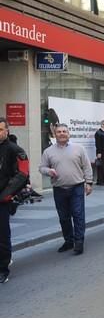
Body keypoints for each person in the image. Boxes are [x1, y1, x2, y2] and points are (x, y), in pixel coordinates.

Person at [40, 124, 94, 255]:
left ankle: (79, 242)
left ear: (68, 134)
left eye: (64, 131)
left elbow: (86, 166)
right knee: (64, 217)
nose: (62, 133)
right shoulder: (48, 151)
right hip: (59, 189)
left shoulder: (78, 149)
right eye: (59, 132)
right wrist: (48, 171)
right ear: (55, 134)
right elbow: (42, 168)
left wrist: (89, 182)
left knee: (78, 214)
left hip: (77, 187)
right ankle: (68, 241)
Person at [0, 118, 29, 283]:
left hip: (3, 201)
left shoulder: (14, 150)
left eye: (0, 129)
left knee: (2, 236)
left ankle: (3, 269)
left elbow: (23, 173)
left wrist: (6, 194)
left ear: (7, 130)